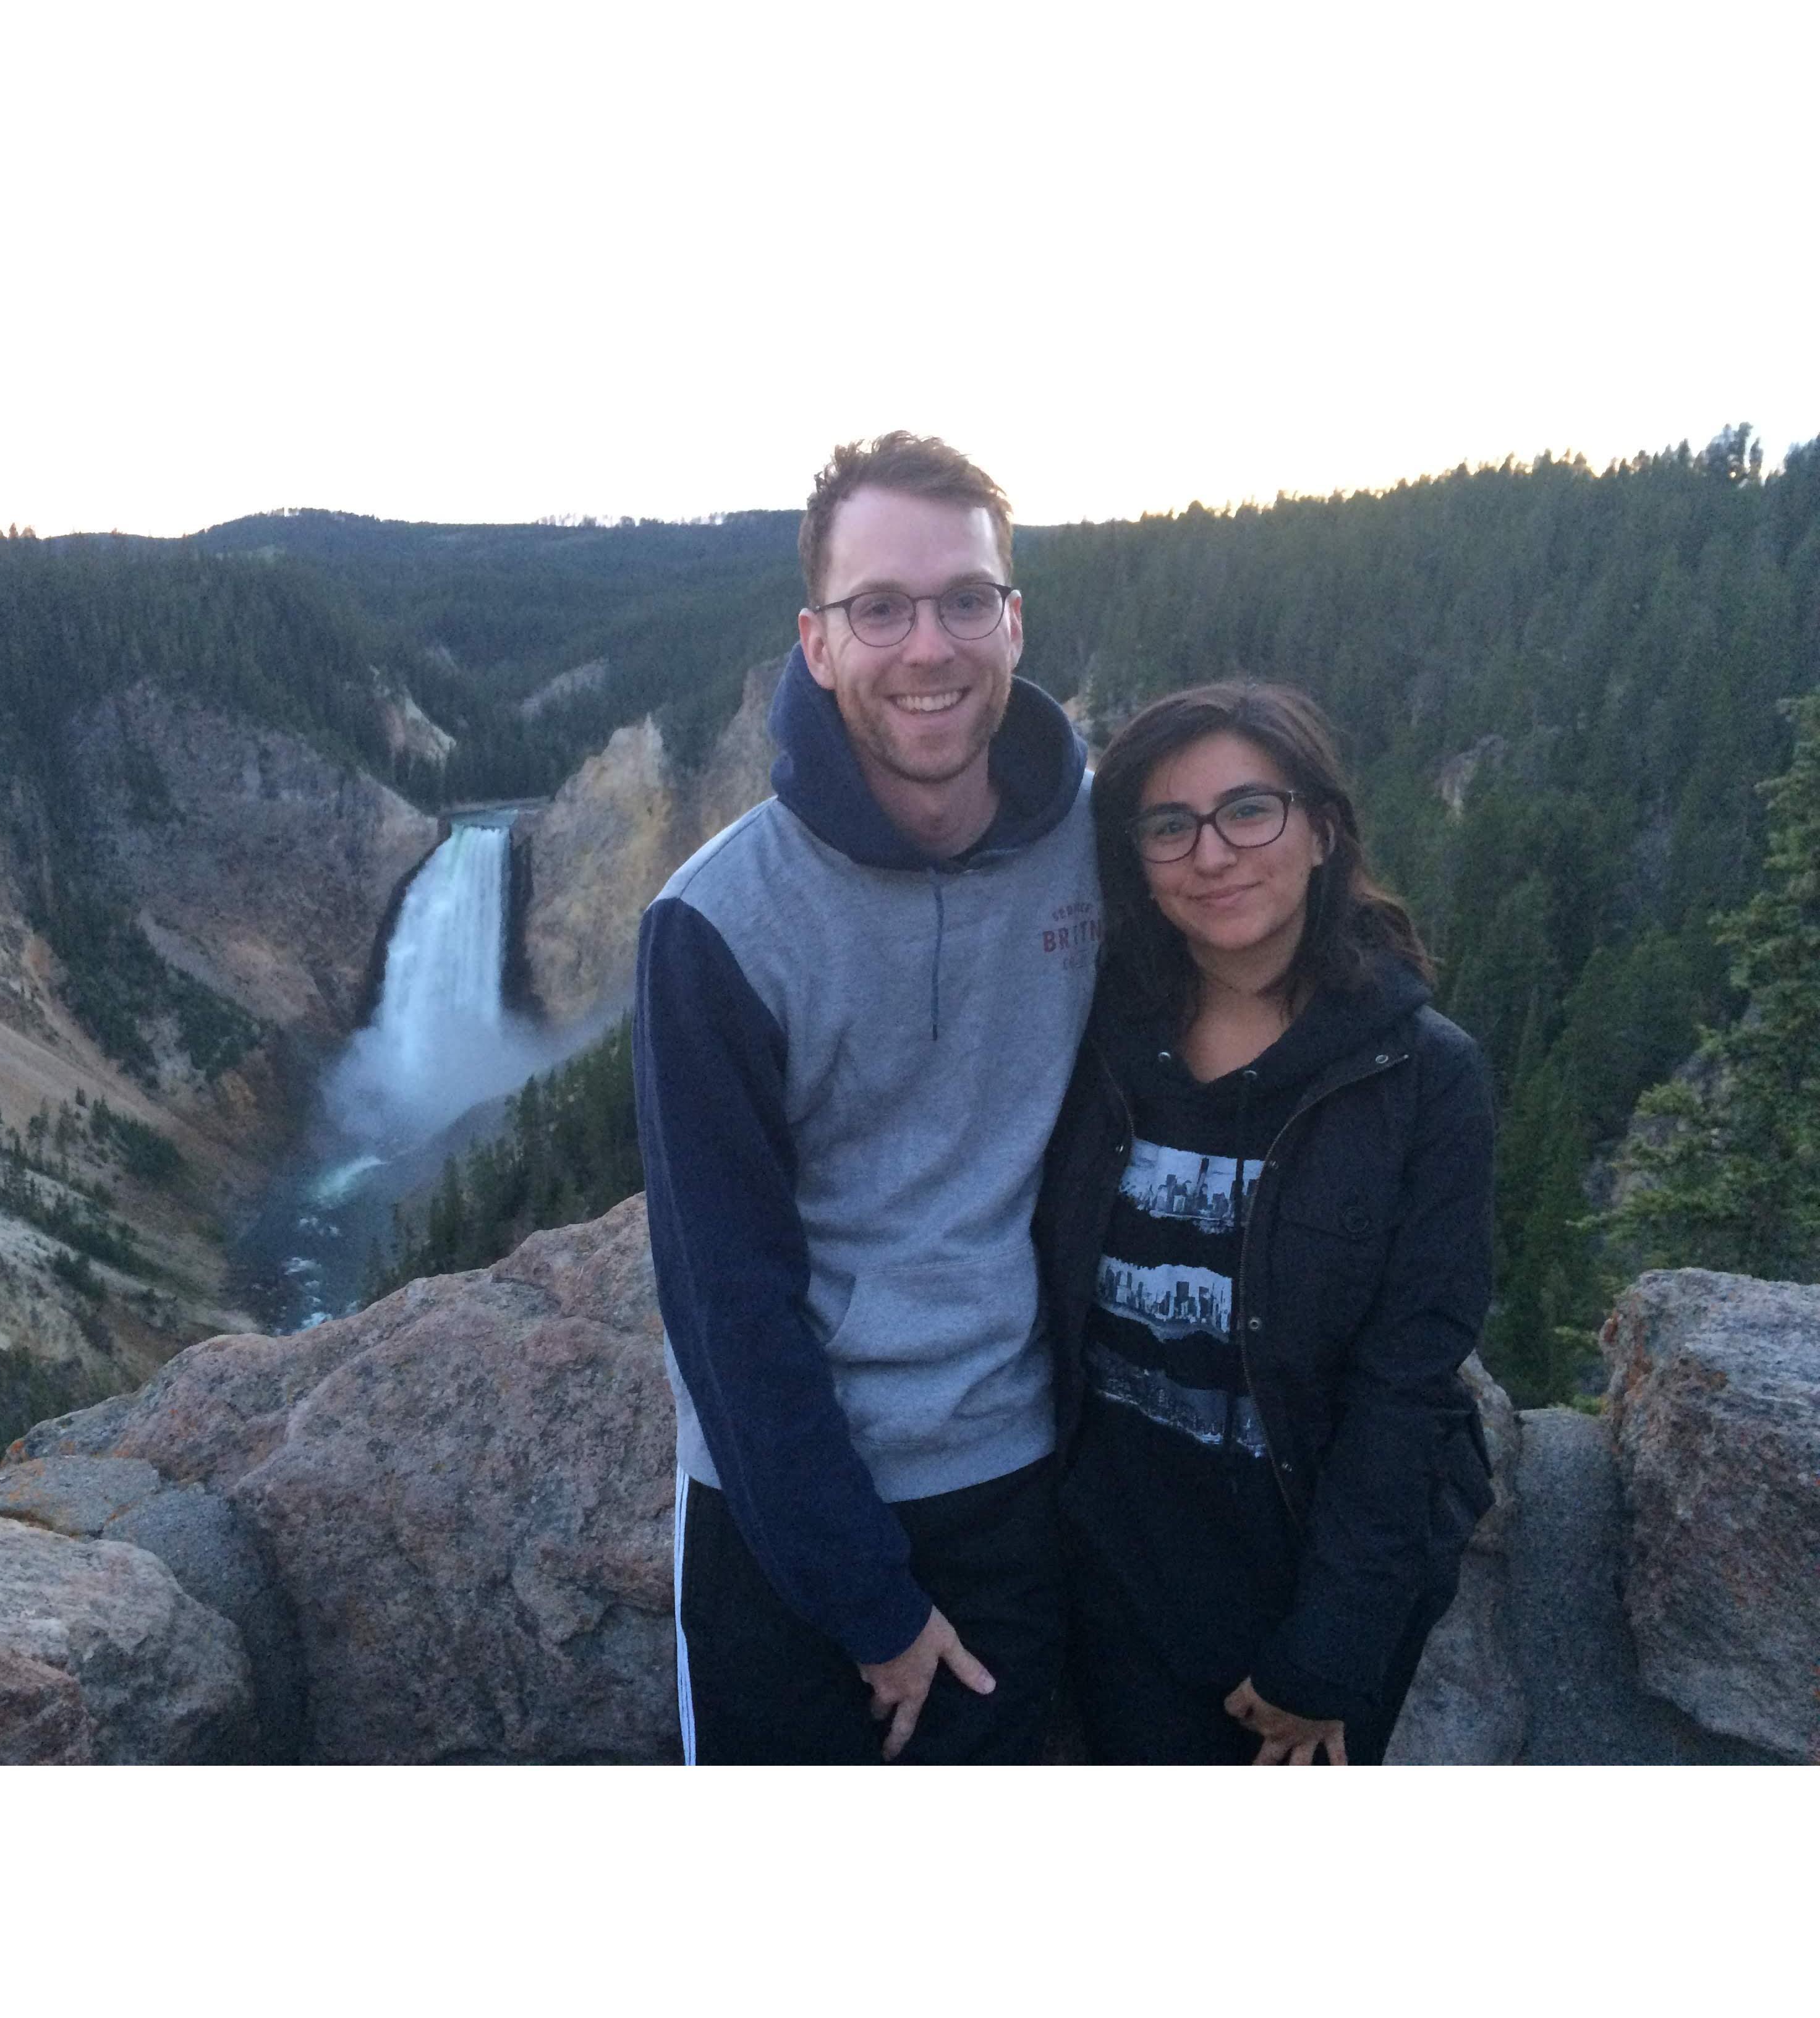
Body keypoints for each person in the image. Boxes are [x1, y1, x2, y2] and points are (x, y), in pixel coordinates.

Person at [634, 433, 1102, 1764]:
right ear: (819, 643)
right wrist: (869, 1602)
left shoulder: (1102, 846)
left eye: (966, 600)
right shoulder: (717, 923)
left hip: (1014, 1478)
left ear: (1014, 622)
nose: (929, 646)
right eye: (880, 608)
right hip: (778, 1519)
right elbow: (727, 1303)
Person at [1035, 681, 1496, 1764]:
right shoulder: (1092, 1039)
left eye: (1250, 810)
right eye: (1169, 825)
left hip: (1297, 1589)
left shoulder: (1422, 1078)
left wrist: (1330, 1651)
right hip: (1102, 1583)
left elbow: (1406, 1384)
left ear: (1323, 830)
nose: (1212, 855)